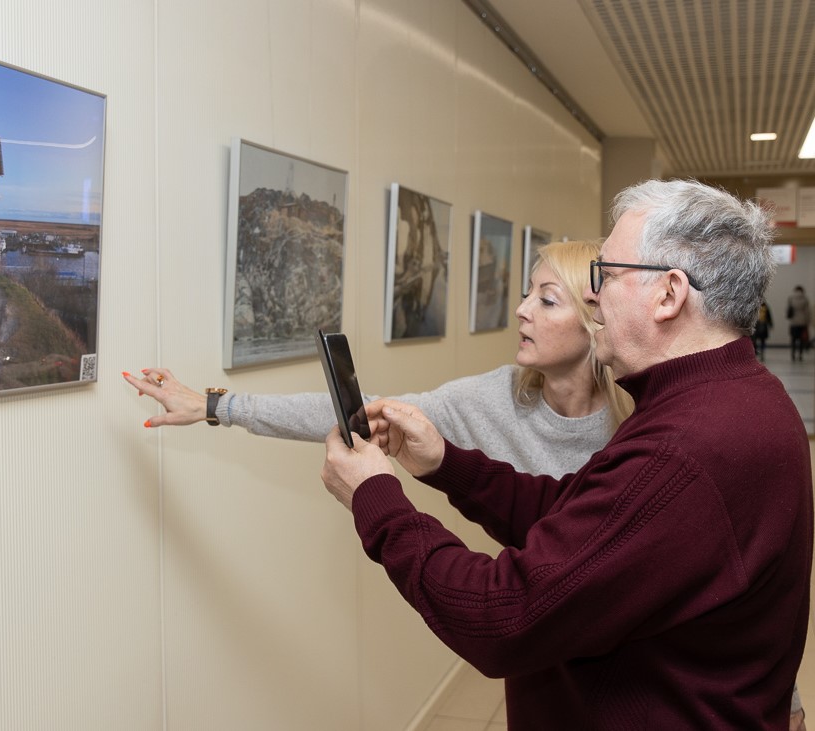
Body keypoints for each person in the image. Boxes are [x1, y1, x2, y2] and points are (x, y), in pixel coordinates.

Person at [320, 179, 813, 729]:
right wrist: (447, 465)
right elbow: (585, 512)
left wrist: (377, 500)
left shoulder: (685, 447)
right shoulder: (736, 396)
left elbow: (503, 616)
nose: (593, 295)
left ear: (669, 294)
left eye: (606, 274)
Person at [123, 239, 633, 478]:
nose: (520, 311)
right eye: (525, 294)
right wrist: (218, 406)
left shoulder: (644, 422)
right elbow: (366, 412)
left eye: (545, 300)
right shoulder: (498, 397)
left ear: (598, 317)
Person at [788, 285, 811, 361]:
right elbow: (807, 312)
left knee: (793, 339)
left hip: (794, 322)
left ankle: (793, 354)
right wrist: (807, 322)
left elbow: (789, 310)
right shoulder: (805, 299)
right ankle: (800, 355)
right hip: (802, 322)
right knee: (801, 340)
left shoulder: (791, 298)